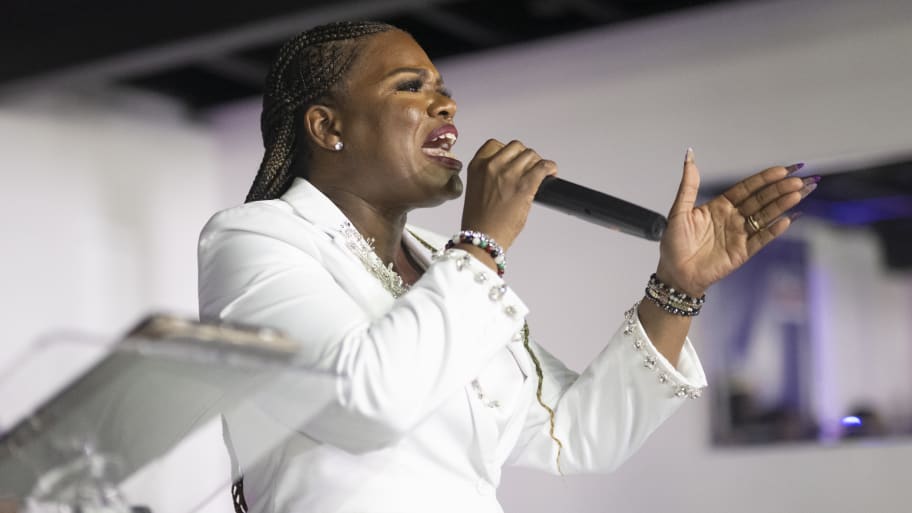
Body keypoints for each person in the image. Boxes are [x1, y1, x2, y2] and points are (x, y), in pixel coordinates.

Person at [197, 20, 817, 513]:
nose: (447, 103)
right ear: (327, 126)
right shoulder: (257, 237)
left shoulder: (447, 261)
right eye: (411, 86)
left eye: (442, 86)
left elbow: (577, 435)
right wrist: (484, 244)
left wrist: (676, 289)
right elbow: (366, 401)